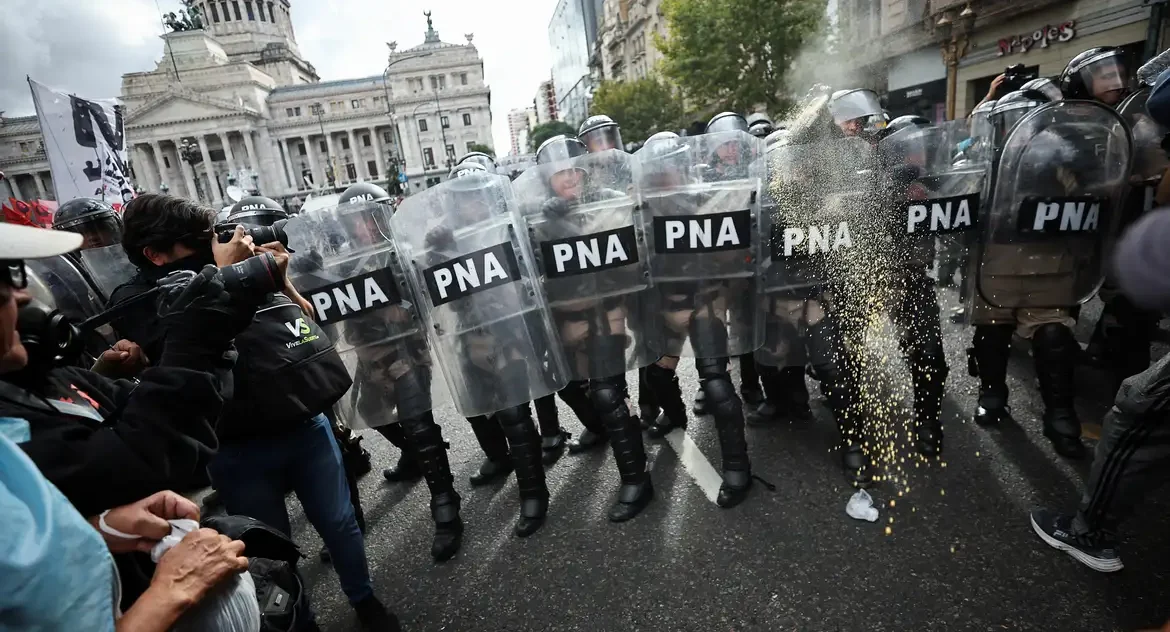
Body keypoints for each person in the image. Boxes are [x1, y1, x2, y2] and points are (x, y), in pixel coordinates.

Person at [107, 193, 398, 628]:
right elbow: (184, 356)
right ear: (153, 254)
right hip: (236, 442)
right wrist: (224, 273)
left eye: (209, 237)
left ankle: (364, 598)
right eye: (194, 242)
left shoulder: (236, 260)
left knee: (340, 524)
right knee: (266, 547)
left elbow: (304, 314)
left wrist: (276, 276)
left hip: (300, 417)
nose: (211, 245)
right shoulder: (139, 298)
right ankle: (299, 620)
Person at [316, 181, 464, 563]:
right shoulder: (346, 260)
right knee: (367, 413)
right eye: (356, 221)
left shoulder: (401, 254)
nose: (364, 227)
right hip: (370, 356)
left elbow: (429, 296)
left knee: (419, 425)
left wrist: (405, 305)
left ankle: (445, 503)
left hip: (408, 352)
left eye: (370, 218)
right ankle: (413, 457)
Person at [521, 135, 654, 521]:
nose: (570, 177)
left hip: (606, 314)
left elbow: (634, 255)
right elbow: (531, 272)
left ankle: (637, 477)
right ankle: (601, 429)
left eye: (575, 169)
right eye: (560, 172)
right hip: (566, 320)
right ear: (547, 178)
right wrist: (548, 227)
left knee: (608, 392)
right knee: (579, 391)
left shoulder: (610, 200)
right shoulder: (537, 219)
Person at [639, 113, 765, 507]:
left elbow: (740, 243)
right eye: (659, 169)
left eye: (672, 166)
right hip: (666, 307)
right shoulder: (639, 208)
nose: (667, 174)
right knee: (657, 374)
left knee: (716, 383)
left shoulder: (708, 195)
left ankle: (737, 469)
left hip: (705, 302)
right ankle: (674, 414)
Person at [52, 197, 124, 250]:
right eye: (81, 233)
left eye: (100, 228)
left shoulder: (132, 256)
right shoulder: (67, 269)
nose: (92, 237)